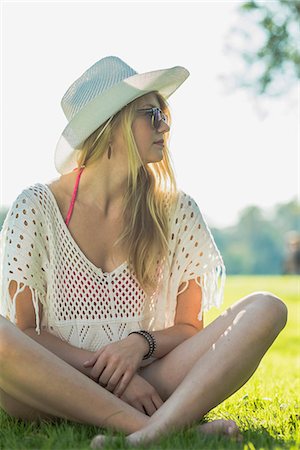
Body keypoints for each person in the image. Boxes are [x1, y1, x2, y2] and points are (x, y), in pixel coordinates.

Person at [0, 56, 288, 448]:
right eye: (151, 114)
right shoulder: (36, 207)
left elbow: (189, 329)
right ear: (113, 126)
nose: (165, 126)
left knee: (267, 307)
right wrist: (111, 374)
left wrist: (138, 345)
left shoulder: (176, 210)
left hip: (153, 378)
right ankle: (163, 426)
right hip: (55, 384)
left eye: (164, 114)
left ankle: (146, 435)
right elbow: (27, 333)